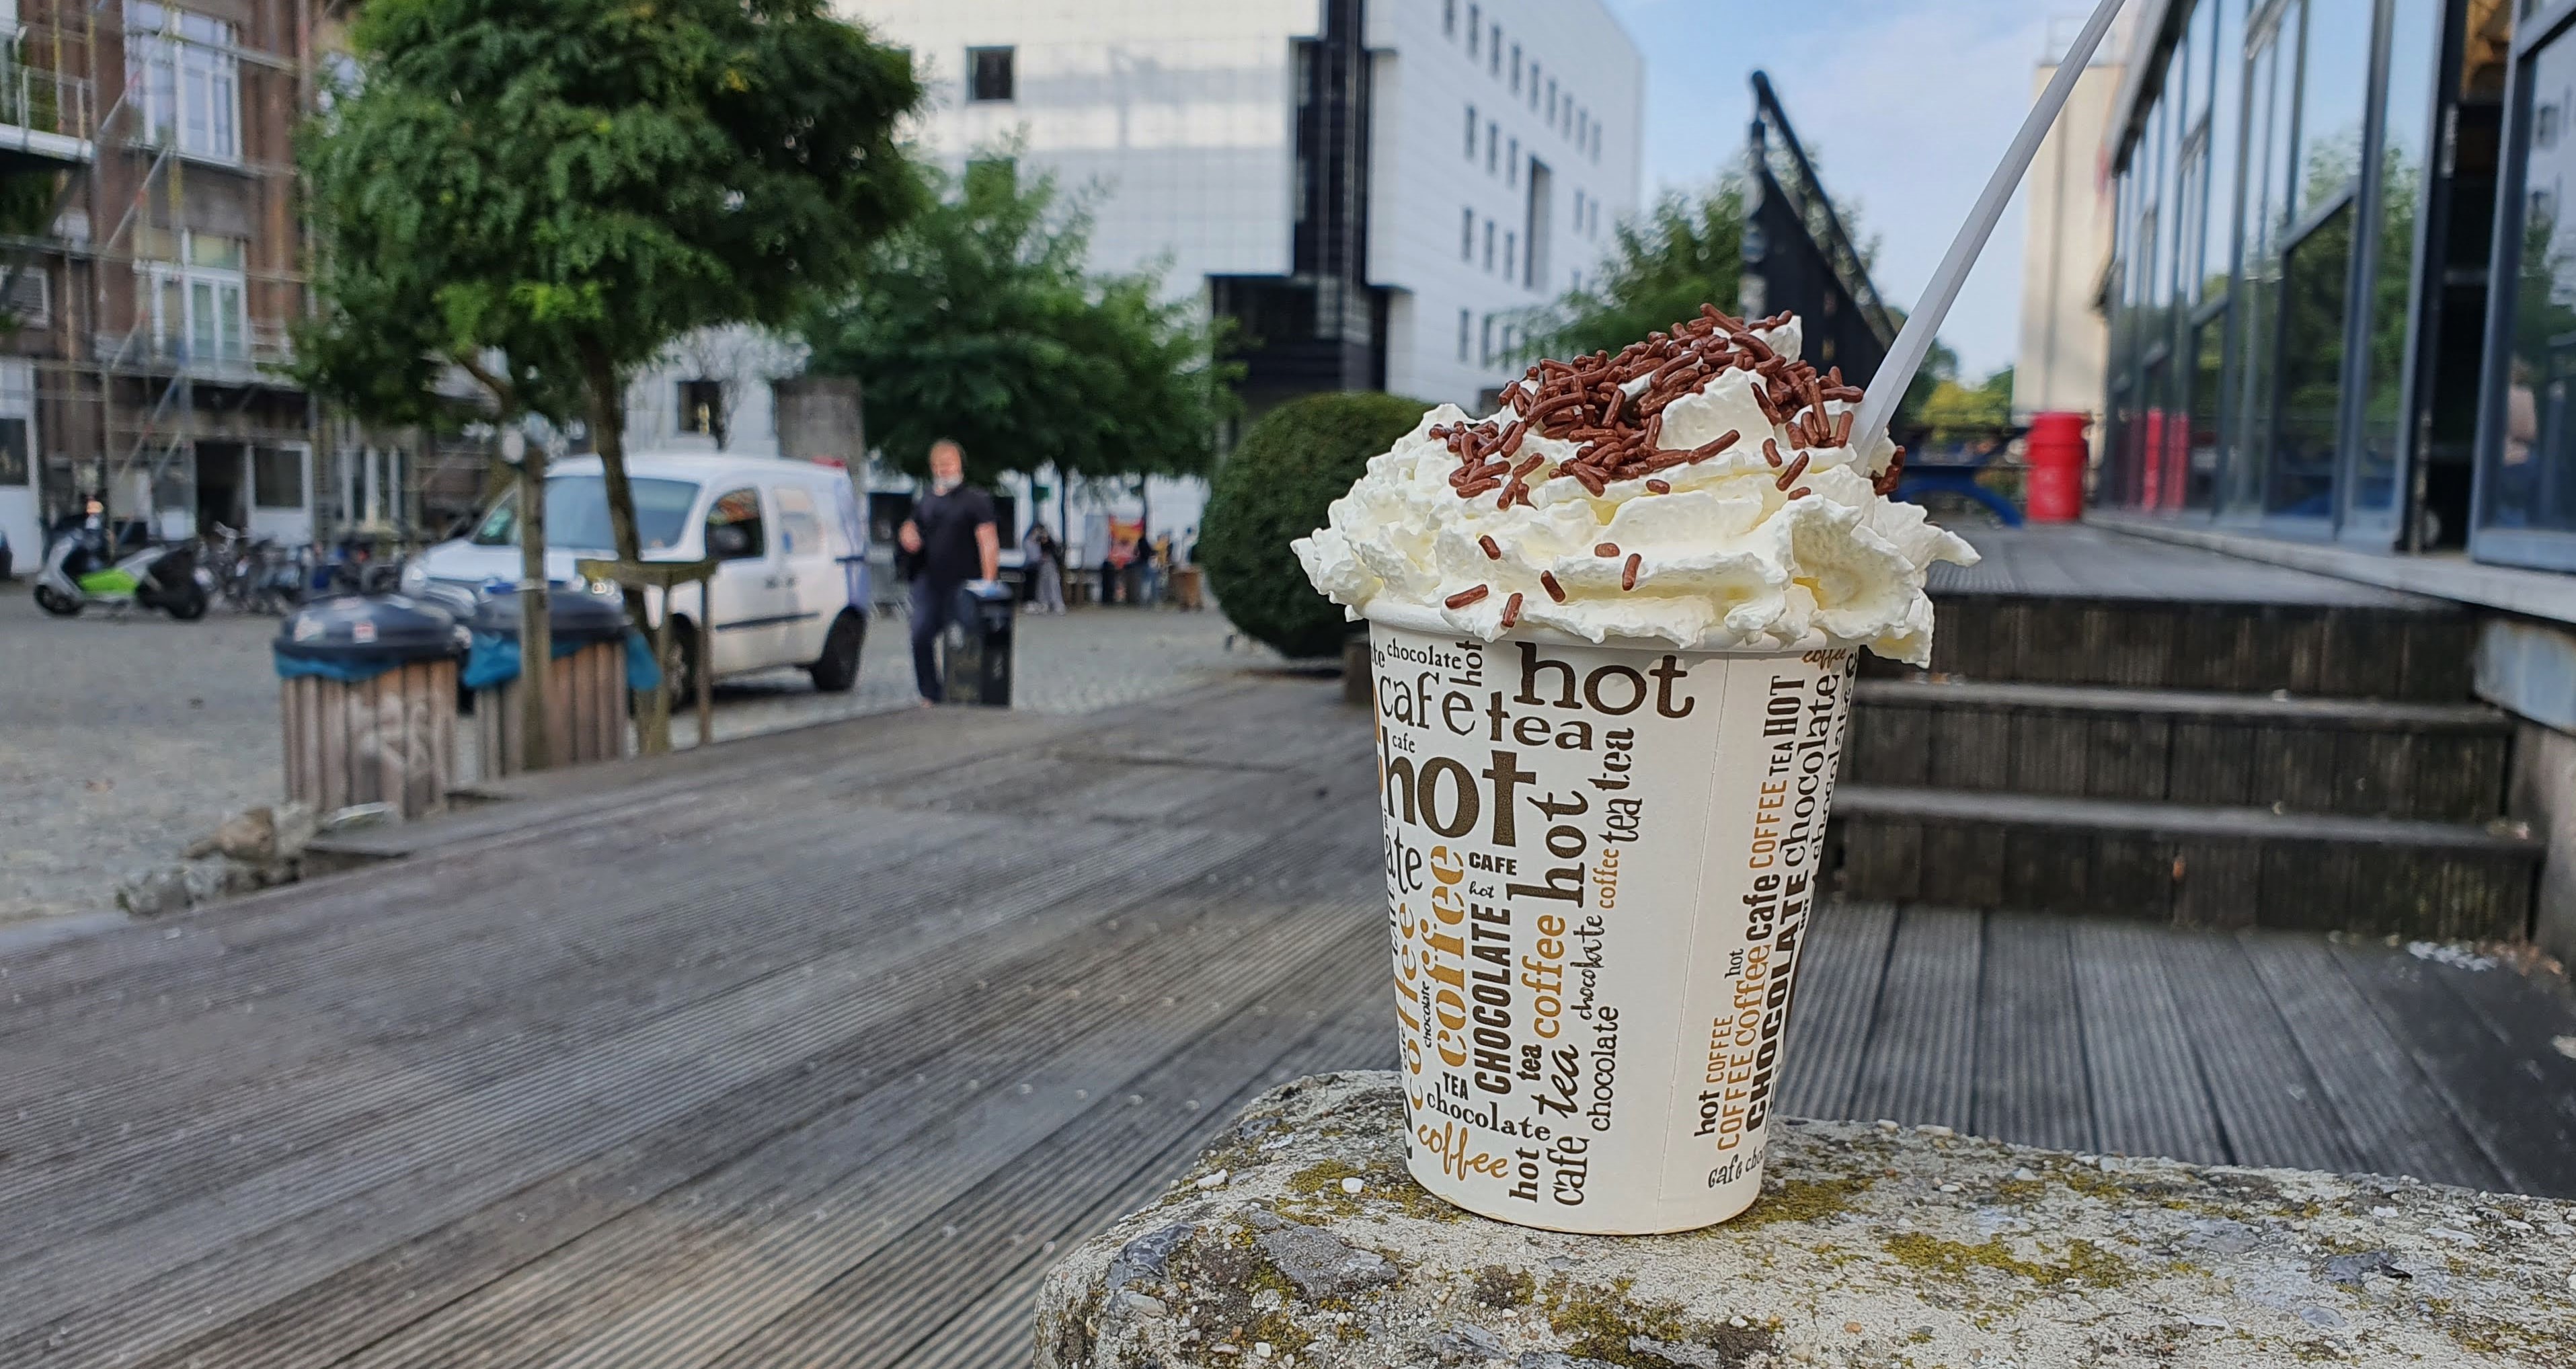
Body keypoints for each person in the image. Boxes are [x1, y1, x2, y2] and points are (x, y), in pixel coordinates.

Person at [897, 439, 1000, 703]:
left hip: (965, 582)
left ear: (959, 465)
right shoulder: (927, 500)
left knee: (965, 639)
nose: (944, 469)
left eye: (949, 464)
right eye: (939, 465)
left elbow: (988, 540)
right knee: (920, 635)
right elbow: (913, 527)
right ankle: (931, 693)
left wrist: (988, 582)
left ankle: (967, 690)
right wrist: (907, 534)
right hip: (930, 582)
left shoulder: (975, 501)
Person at [1026, 520, 1065, 614]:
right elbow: (1032, 553)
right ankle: (1044, 603)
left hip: (1049, 564)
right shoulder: (1033, 540)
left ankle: (1056, 603)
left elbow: (1053, 549)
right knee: (1043, 585)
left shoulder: (1049, 541)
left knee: (1052, 583)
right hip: (1039, 565)